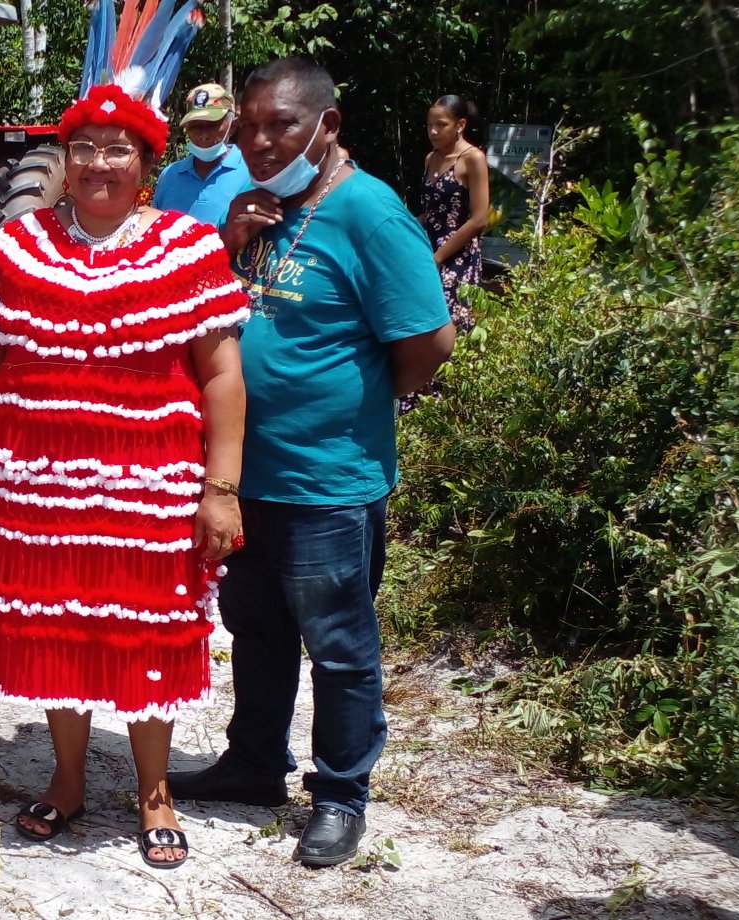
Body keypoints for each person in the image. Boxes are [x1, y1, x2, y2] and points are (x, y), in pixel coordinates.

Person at [0, 68, 251, 869]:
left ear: (146, 164)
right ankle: (70, 778)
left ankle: (154, 793)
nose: (100, 163)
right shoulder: (21, 242)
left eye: (119, 149)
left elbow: (221, 375)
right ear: (64, 159)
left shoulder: (189, 246)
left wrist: (221, 491)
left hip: (150, 490)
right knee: (58, 631)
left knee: (147, 633)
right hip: (39, 487)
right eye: (85, 148)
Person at [169, 57, 454, 868]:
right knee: (255, 631)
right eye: (248, 126)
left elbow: (428, 342)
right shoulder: (259, 209)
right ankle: (256, 765)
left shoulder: (369, 212)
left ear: (326, 125)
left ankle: (340, 794)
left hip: (326, 479)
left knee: (338, 644)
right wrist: (228, 244)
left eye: (280, 125)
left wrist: (350, 404)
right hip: (243, 479)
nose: (259, 141)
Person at [421, 94, 487, 334]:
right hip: (428, 249)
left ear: (460, 125)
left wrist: (439, 257)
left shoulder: (473, 159)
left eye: (441, 125)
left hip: (458, 254)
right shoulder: (431, 158)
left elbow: (479, 219)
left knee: (451, 327)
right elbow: (432, 212)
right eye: (430, 125)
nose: (433, 132)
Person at [152, 82, 252, 229]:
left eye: (212, 125)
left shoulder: (251, 171)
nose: (204, 135)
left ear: (233, 125)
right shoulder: (170, 176)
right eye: (195, 126)